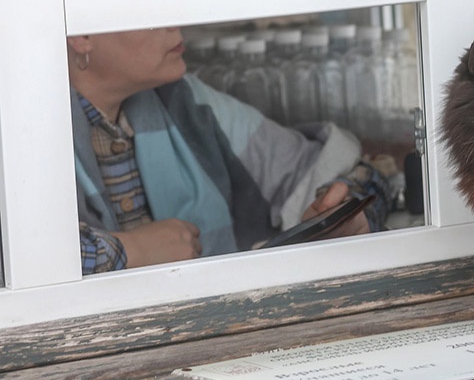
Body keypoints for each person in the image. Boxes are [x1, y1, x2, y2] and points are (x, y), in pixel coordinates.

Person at [68, 27, 391, 275]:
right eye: (151, 13)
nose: (176, 26)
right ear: (82, 36)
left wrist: (347, 214)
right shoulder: (28, 135)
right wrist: (132, 252)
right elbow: (22, 261)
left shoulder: (185, 103)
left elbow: (353, 171)